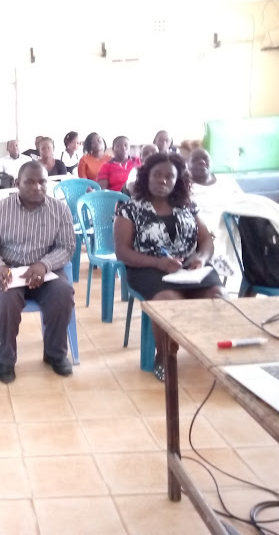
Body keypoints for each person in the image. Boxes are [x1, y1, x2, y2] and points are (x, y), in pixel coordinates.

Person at [114, 152, 226, 382]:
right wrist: (159, 262)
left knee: (218, 295)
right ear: (146, 177)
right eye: (157, 175)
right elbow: (123, 252)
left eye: (169, 176)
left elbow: (206, 241)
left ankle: (209, 351)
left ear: (177, 180)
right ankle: (165, 356)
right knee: (168, 300)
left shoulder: (188, 207)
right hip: (147, 267)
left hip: (189, 268)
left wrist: (201, 259)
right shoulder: (129, 209)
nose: (162, 180)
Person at [0, 161, 76, 384]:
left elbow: (67, 247)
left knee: (63, 293)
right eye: (29, 182)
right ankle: (7, 358)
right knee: (6, 299)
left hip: (45, 273)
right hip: (10, 272)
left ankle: (55, 353)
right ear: (16, 184)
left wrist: (44, 265)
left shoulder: (59, 209)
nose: (37, 187)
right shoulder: (0, 210)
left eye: (42, 181)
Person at [188, 148, 243, 276]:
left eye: (205, 159)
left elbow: (242, 201)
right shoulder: (184, 185)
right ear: (187, 164)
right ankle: (212, 261)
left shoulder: (226, 182)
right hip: (200, 225)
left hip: (228, 223)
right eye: (195, 160)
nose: (201, 162)